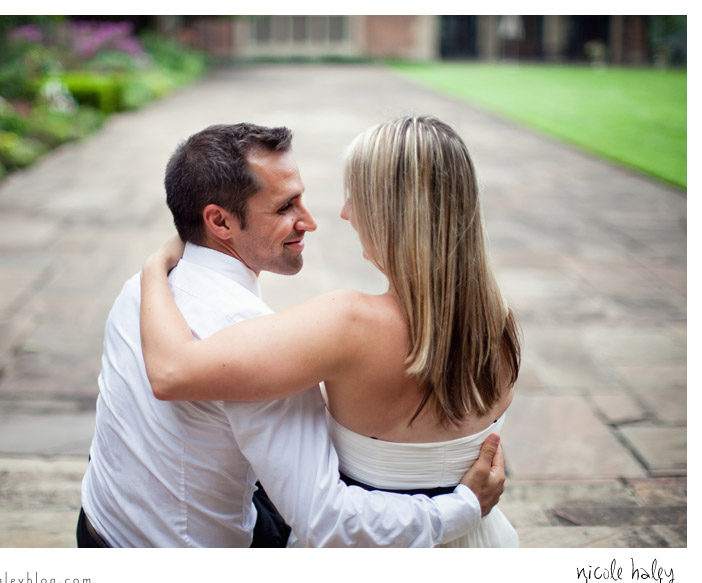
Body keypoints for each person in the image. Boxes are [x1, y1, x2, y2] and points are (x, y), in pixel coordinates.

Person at [79, 122, 505, 548]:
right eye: (286, 207)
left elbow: (171, 371)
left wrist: (152, 267)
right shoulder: (501, 327)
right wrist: (464, 506)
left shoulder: (141, 290)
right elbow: (325, 518)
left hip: (98, 523)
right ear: (220, 222)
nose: (318, 220)